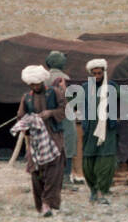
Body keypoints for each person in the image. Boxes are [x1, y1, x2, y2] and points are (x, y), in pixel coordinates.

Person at [14, 65, 66, 216]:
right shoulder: (27, 97)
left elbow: (64, 110)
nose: (35, 86)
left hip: (54, 136)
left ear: (43, 81)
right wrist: (28, 122)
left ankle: (47, 204)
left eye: (37, 84)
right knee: (36, 172)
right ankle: (40, 204)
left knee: (53, 172)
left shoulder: (54, 92)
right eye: (32, 84)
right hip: (35, 140)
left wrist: (51, 113)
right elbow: (20, 116)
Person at [81, 58, 119, 204]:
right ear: (90, 74)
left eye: (99, 73)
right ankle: (92, 190)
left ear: (104, 72)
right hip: (90, 129)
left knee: (105, 162)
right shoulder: (85, 88)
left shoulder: (111, 86)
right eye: (94, 73)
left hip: (108, 129)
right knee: (88, 162)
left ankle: (101, 192)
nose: (97, 76)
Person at [45, 50, 79, 184]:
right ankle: (65, 179)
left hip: (48, 117)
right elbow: (70, 99)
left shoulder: (44, 77)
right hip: (65, 116)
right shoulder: (64, 77)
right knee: (68, 146)